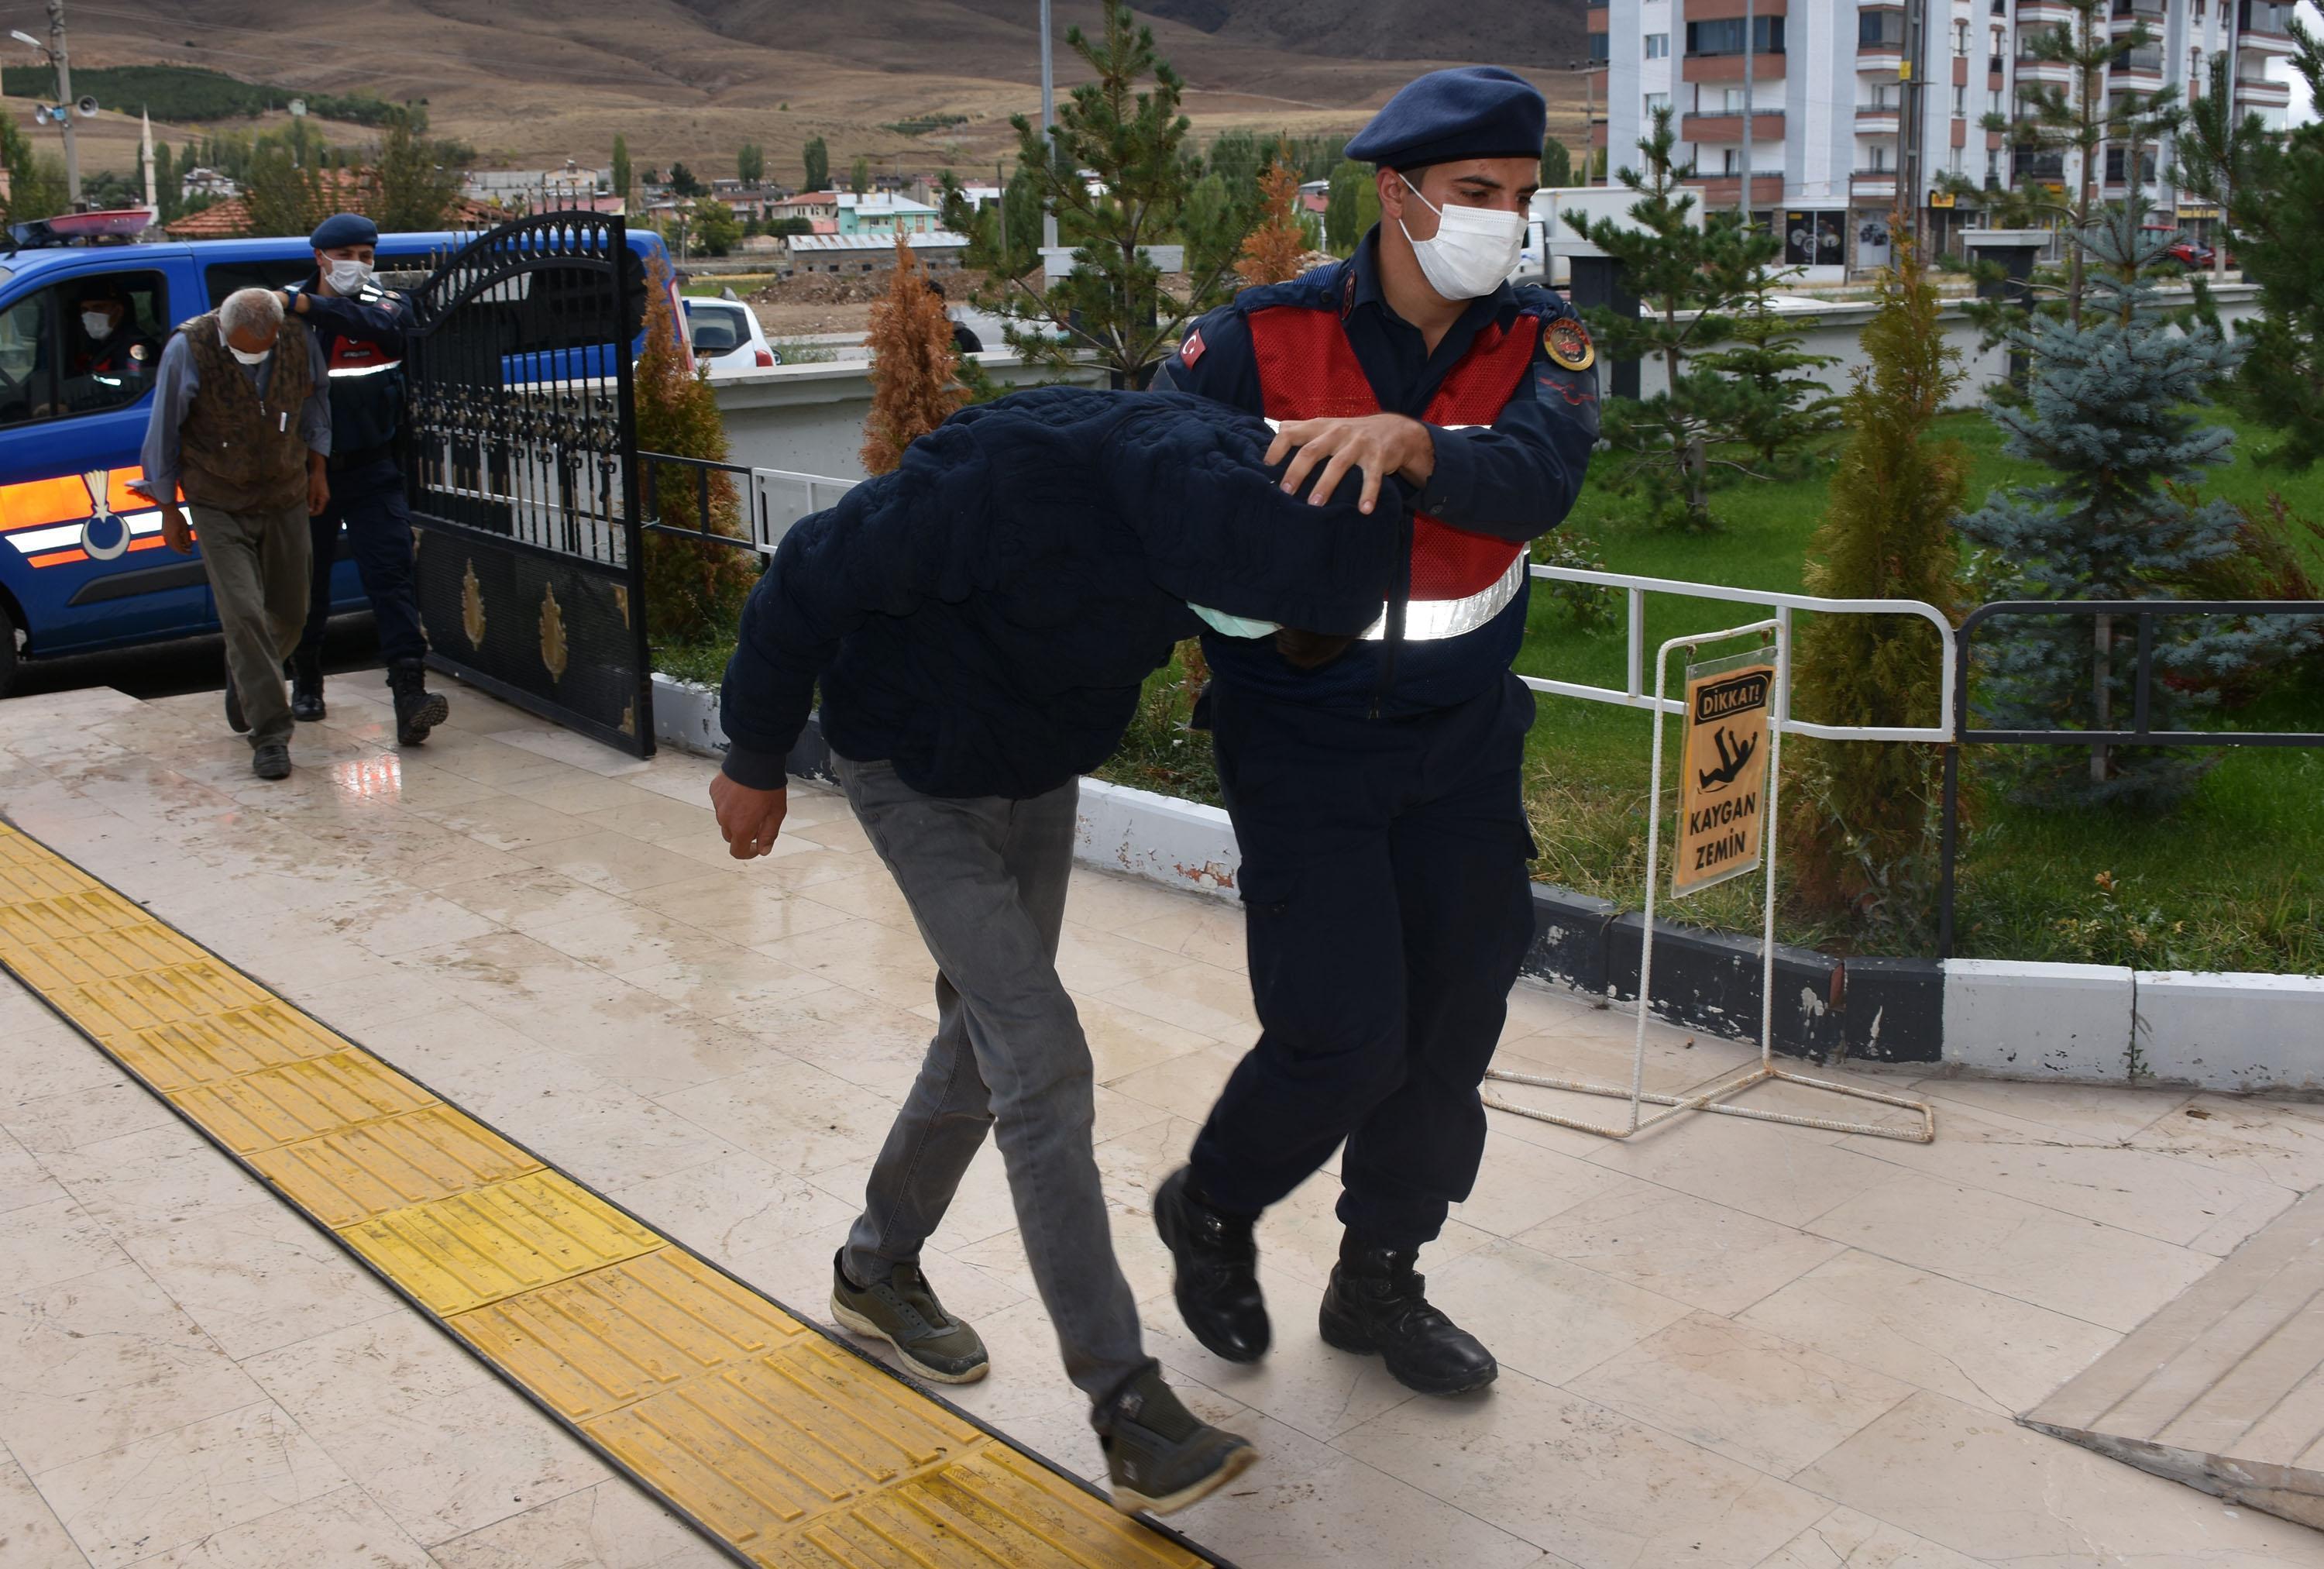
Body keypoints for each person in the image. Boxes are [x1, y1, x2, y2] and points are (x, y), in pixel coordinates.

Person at [707, 384, 1404, 1516]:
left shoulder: (1238, 503)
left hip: (1033, 764)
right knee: (1039, 1053)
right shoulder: (1007, 486)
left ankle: (875, 1266)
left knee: (985, 1043)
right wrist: (753, 755)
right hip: (910, 761)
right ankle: (1127, 1406)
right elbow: (808, 576)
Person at [1145, 66, 1600, 1398]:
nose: (1504, 219)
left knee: (1452, 1025)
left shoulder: (1542, 340)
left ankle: (1379, 1278)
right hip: (1305, 739)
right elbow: (1150, 498)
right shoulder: (1253, 344)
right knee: (1344, 1034)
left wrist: (1414, 446)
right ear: (1398, 195)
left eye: (1520, 196)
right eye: (1475, 192)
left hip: (1465, 740)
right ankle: (1212, 1207)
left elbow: (1541, 478)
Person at [132, 287, 332, 780]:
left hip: (285, 494)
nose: (254, 356)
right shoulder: (189, 347)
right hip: (217, 500)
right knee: (243, 612)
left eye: (263, 348)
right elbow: (164, 430)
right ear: (223, 326)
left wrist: (318, 471)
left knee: (292, 613)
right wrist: (169, 509)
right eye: (245, 348)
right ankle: (271, 735)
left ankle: (246, 674)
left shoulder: (298, 337)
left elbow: (315, 406)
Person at [278, 212, 449, 745]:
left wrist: (309, 307)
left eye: (366, 255)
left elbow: (386, 331)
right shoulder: (284, 311)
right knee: (307, 584)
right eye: (346, 255)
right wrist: (299, 307)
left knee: (392, 577)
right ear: (320, 257)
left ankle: (410, 695)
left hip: (372, 467)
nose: (358, 264)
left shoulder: (386, 303)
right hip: (305, 473)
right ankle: (307, 678)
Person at [59, 277, 160, 412]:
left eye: (98, 308)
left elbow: (130, 395)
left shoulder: (135, 347)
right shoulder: (98, 346)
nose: (90, 315)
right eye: (85, 310)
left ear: (118, 311)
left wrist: (72, 409)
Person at [927, 277, 983, 356]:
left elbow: (980, 362)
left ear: (943, 309)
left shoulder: (965, 338)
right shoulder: (910, 341)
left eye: (930, 308)